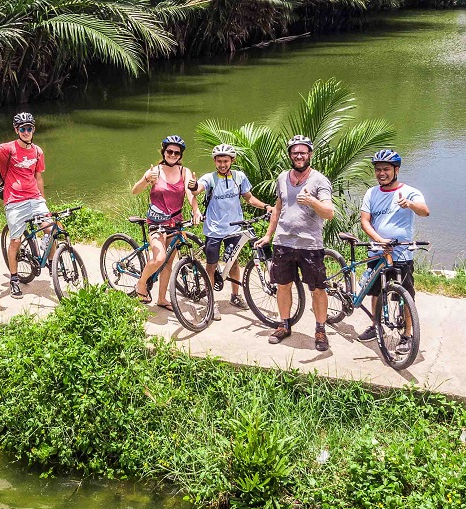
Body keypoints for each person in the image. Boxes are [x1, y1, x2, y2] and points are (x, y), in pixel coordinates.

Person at [255, 135, 335, 351]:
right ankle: (284, 324)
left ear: (310, 154)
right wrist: (269, 235)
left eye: (303, 152)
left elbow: (329, 213)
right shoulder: (282, 178)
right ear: (290, 155)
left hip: (310, 245)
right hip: (283, 242)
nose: (299, 156)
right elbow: (278, 208)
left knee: (318, 289)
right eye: (295, 152)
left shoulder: (319, 181)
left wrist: (312, 201)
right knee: (283, 286)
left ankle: (320, 329)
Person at [356, 149, 430, 353]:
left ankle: (407, 335)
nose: (381, 173)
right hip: (378, 252)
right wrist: (379, 240)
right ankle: (375, 324)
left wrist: (410, 204)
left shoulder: (409, 192)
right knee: (376, 292)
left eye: (386, 169)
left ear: (396, 170)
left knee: (405, 296)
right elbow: (365, 221)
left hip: (401, 255)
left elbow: (425, 211)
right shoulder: (371, 193)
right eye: (378, 169)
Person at [192, 143, 271, 320]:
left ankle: (235, 296)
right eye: (219, 161)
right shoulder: (210, 178)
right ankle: (211, 302)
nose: (222, 164)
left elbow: (248, 198)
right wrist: (192, 186)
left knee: (233, 263)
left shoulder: (239, 177)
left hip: (234, 228)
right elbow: (198, 189)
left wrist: (266, 206)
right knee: (211, 266)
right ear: (214, 161)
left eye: (225, 161)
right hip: (213, 229)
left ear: (232, 160)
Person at [0, 112, 48, 299]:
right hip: (14, 200)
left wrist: (43, 200)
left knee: (51, 228)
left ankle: (51, 261)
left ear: (33, 129)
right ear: (17, 130)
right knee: (16, 240)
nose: (26, 132)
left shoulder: (38, 151)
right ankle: (14, 279)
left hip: (35, 198)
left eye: (29, 128)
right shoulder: (7, 149)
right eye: (22, 129)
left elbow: (38, 177)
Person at [130, 135, 202, 310]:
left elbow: (190, 193)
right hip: (156, 222)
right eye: (169, 151)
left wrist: (196, 210)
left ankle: (162, 298)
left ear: (181, 155)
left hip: (175, 222)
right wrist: (147, 180)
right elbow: (134, 191)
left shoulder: (184, 171)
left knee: (168, 263)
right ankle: (141, 284)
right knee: (159, 258)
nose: (173, 155)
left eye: (177, 152)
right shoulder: (155, 171)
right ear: (163, 151)